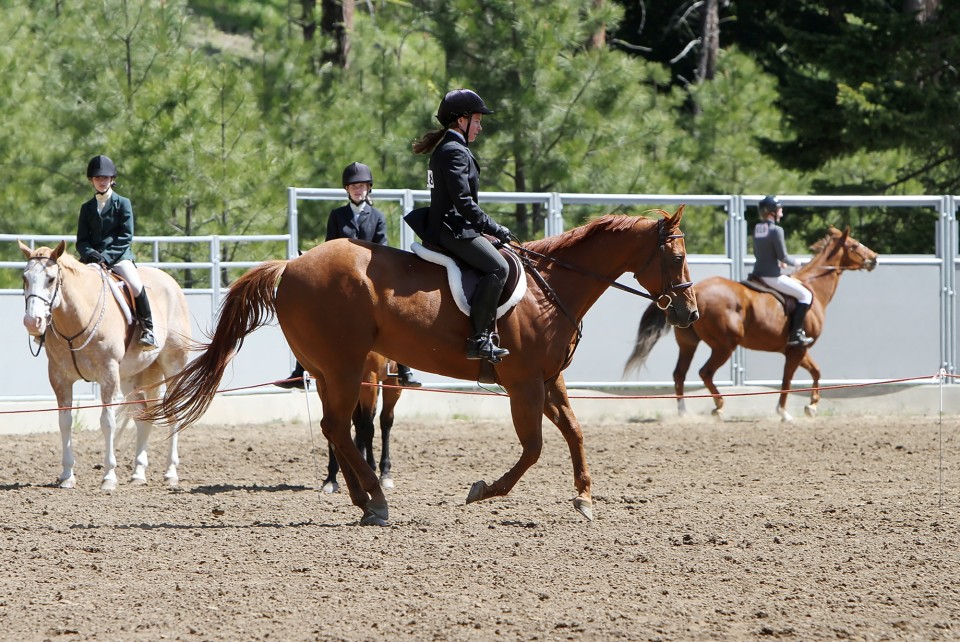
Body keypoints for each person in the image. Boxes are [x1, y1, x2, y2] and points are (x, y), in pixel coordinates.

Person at [277, 162, 422, 389]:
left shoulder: (378, 216)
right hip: (342, 283)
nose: (358, 190)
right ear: (347, 189)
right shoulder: (337, 216)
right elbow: (329, 248)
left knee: (396, 311)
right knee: (315, 314)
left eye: (362, 186)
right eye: (354, 186)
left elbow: (381, 247)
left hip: (371, 278)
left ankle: (404, 369)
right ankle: (300, 369)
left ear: (368, 189)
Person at [412, 88, 513, 364]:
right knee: (499, 267)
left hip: (454, 224)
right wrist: (495, 228)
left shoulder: (451, 148)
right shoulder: (453, 151)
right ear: (461, 121)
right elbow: (464, 203)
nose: (480, 127)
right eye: (477, 121)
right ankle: (479, 339)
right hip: (451, 228)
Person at [76, 154, 159, 350]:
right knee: (67, 282)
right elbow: (81, 240)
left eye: (105, 178)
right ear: (91, 181)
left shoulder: (123, 203)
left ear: (112, 179)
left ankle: (148, 330)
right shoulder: (86, 208)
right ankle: (48, 331)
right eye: (97, 178)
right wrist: (91, 254)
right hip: (92, 259)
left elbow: (125, 237)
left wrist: (106, 256)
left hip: (119, 257)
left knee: (136, 285)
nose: (101, 182)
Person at [751, 195, 815, 347]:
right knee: (806, 295)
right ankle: (795, 334)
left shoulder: (757, 229)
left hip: (757, 273)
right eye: (779, 209)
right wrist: (797, 263)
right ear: (772, 211)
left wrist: (776, 261)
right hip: (772, 276)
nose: (781, 212)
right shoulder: (776, 230)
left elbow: (757, 253)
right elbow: (783, 256)